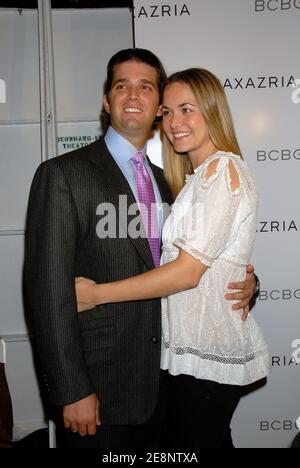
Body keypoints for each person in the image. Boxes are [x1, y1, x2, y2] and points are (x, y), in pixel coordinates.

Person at [24, 49, 258, 449]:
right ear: (106, 101)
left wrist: (247, 283)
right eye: (122, 86)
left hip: (166, 387)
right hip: (98, 389)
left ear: (157, 107)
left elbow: (195, 261)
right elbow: (46, 292)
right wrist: (71, 388)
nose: (133, 95)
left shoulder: (174, 182)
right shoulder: (63, 174)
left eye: (146, 87)